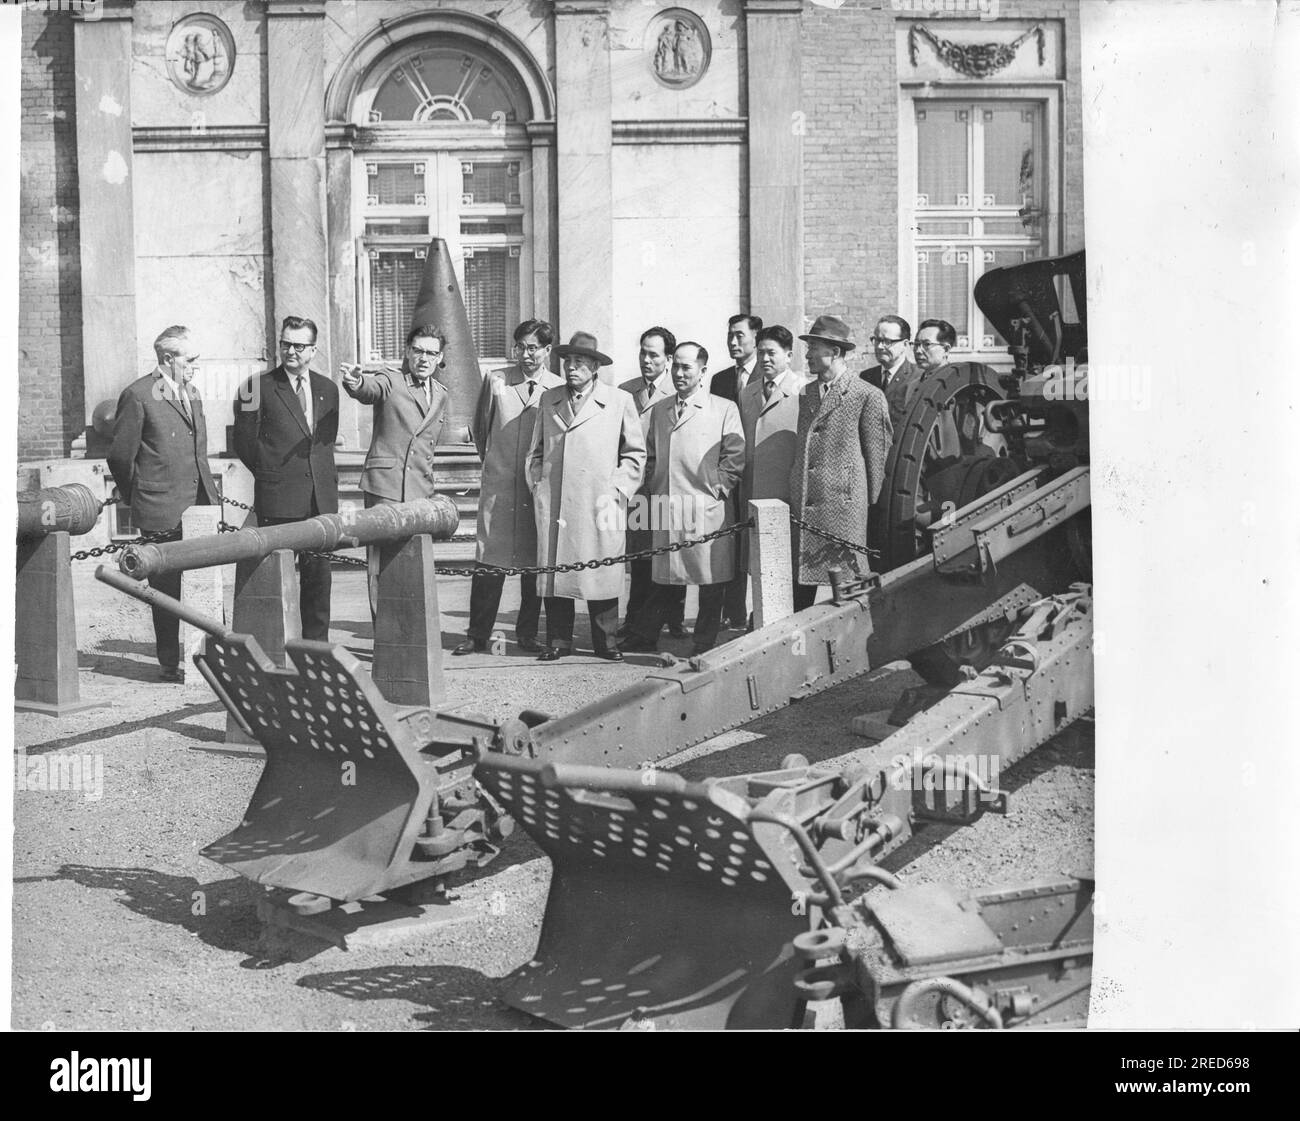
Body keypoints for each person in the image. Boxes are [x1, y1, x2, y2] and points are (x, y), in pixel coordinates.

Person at [108, 325, 218, 683]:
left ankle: (208, 655)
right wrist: (138, 495)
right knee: (166, 588)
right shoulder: (138, 395)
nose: (195, 365)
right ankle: (169, 661)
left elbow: (198, 453)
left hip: (199, 505)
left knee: (205, 583)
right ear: (168, 359)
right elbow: (121, 458)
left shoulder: (194, 392)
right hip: (160, 509)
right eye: (191, 358)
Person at [528, 332, 646, 662]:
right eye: (568, 362)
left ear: (595, 367)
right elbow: (535, 451)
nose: (572, 368)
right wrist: (538, 485)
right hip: (556, 501)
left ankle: (606, 642)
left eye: (580, 362)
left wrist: (620, 491)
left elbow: (635, 453)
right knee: (556, 573)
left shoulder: (619, 400)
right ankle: (558, 641)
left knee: (602, 571)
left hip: (601, 500)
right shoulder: (549, 399)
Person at [623, 342, 744, 656]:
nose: (678, 373)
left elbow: (734, 457)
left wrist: (716, 489)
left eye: (686, 367)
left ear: (702, 371)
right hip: (666, 506)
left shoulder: (723, 408)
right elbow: (649, 453)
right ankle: (645, 636)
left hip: (706, 508)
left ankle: (704, 642)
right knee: (665, 577)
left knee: (710, 580)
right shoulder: (662, 409)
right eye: (675, 365)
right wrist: (653, 484)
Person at [458, 318, 563, 655]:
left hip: (537, 489)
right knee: (490, 562)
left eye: (533, 348)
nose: (526, 354)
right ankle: (477, 634)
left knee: (534, 565)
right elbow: (481, 429)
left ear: (547, 350)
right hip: (500, 487)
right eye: (521, 347)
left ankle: (528, 633)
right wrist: (495, 467)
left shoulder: (558, 387)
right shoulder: (497, 380)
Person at [232, 315, 340, 641]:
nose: (291, 351)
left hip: (320, 500)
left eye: (299, 345)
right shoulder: (255, 387)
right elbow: (245, 443)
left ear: (313, 350)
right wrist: (273, 476)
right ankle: (276, 647)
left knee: (318, 581)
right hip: (278, 499)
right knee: (275, 580)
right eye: (285, 344)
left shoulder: (327, 389)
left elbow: (324, 443)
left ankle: (315, 649)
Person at [340, 322, 449, 615]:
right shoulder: (391, 379)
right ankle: (384, 634)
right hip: (386, 488)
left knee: (414, 564)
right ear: (407, 351)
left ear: (439, 358)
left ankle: (409, 630)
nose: (423, 359)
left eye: (431, 353)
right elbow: (368, 389)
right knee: (380, 565)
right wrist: (354, 381)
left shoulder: (440, 393)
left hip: (419, 493)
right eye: (417, 351)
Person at [789, 315, 892, 610]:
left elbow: (876, 456)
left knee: (848, 585)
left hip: (844, 509)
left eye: (813, 348)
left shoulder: (866, 395)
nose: (807, 354)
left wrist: (863, 502)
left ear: (834, 352)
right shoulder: (807, 392)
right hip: (806, 504)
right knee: (802, 585)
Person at [618, 325, 685, 639]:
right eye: (643, 352)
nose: (646, 359)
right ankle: (634, 619)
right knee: (641, 556)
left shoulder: (679, 391)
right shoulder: (625, 391)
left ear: (668, 358)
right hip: (636, 489)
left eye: (654, 354)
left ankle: (674, 617)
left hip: (667, 486)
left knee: (672, 551)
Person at [737, 325, 800, 591]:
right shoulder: (747, 393)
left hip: (786, 491)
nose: (765, 359)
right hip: (752, 489)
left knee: (787, 562)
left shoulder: (804, 391)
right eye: (760, 352)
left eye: (772, 353)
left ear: (789, 355)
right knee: (758, 563)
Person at [709, 313, 762, 628]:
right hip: (730, 472)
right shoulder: (720, 379)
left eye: (740, 335)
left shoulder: (766, 374)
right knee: (729, 540)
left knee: (755, 542)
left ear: (756, 337)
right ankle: (732, 611)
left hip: (757, 470)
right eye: (730, 335)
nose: (733, 341)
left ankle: (758, 612)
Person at [860, 314, 925, 427]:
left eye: (887, 341)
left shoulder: (918, 377)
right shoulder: (866, 377)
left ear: (905, 344)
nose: (880, 346)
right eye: (877, 340)